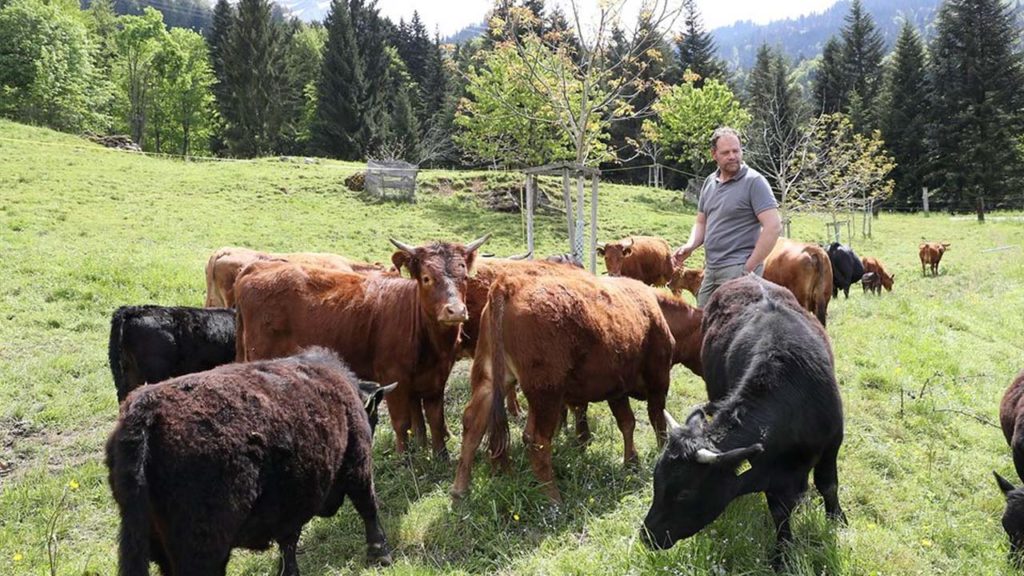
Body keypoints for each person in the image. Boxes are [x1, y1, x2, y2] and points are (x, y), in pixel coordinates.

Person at [673, 127, 782, 308]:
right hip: (712, 270)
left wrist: (749, 267)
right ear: (714, 154)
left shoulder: (754, 182)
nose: (732, 156)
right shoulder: (709, 182)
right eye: (726, 152)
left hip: (739, 269)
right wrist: (690, 245)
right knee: (704, 325)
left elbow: (773, 226)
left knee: (736, 330)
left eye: (736, 151)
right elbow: (701, 222)